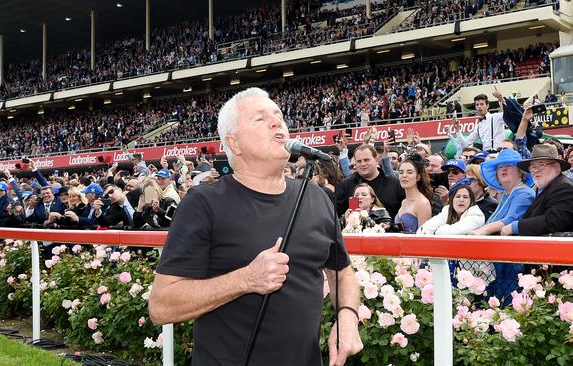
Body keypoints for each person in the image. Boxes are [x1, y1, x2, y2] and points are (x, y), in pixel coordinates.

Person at [149, 88, 363, 366]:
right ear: (234, 143)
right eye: (260, 119)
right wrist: (246, 280)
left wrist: (348, 315)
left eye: (279, 116)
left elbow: (341, 273)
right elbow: (162, 305)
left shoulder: (316, 197)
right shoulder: (203, 204)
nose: (278, 122)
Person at [471, 148, 535, 306]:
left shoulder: (524, 193)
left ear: (520, 172)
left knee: (507, 306)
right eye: (500, 167)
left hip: (511, 262)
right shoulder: (507, 194)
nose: (504, 169)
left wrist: (482, 231)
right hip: (498, 261)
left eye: (509, 165)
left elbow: (511, 219)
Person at [501, 144, 573, 236]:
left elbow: (555, 220)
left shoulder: (563, 187)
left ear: (557, 168)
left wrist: (515, 227)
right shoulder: (543, 188)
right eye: (533, 167)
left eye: (542, 165)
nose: (536, 170)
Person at [336, 144, 404, 218]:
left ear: (376, 159)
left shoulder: (394, 183)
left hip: (390, 228)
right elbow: (337, 214)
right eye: (359, 161)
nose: (363, 164)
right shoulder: (346, 185)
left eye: (366, 160)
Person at [418, 185, 485, 235]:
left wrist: (437, 230)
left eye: (465, 197)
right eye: (458, 196)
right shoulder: (446, 211)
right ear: (452, 200)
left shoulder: (476, 215)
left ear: (471, 201)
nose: (461, 200)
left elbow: (451, 232)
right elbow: (423, 230)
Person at [395, 154, 433, 233]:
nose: (404, 176)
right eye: (401, 172)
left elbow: (423, 237)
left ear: (418, 177)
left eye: (409, 172)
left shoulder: (422, 203)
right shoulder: (404, 201)